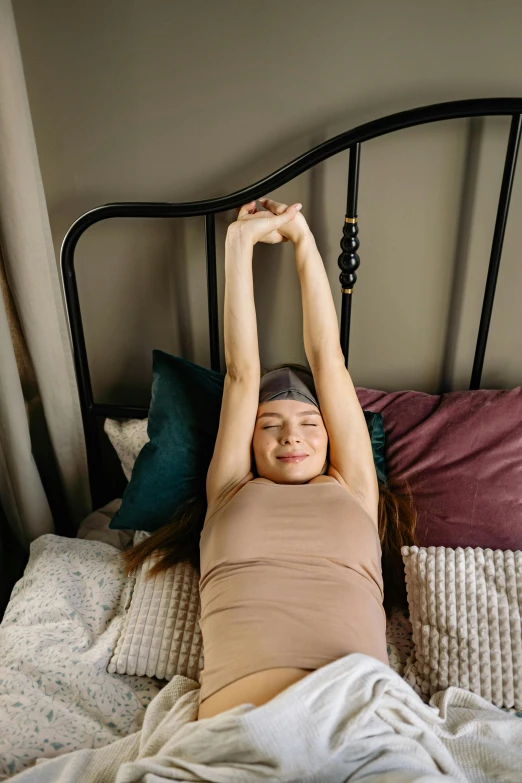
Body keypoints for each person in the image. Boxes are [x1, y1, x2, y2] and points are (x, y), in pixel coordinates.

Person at [122, 198, 417, 722]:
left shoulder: (354, 488)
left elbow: (329, 359)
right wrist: (238, 245)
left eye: (309, 424)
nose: (291, 437)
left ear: (332, 438)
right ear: (248, 443)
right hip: (240, 727)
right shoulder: (230, 487)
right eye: (270, 426)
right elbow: (240, 371)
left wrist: (303, 239)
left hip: (361, 717)